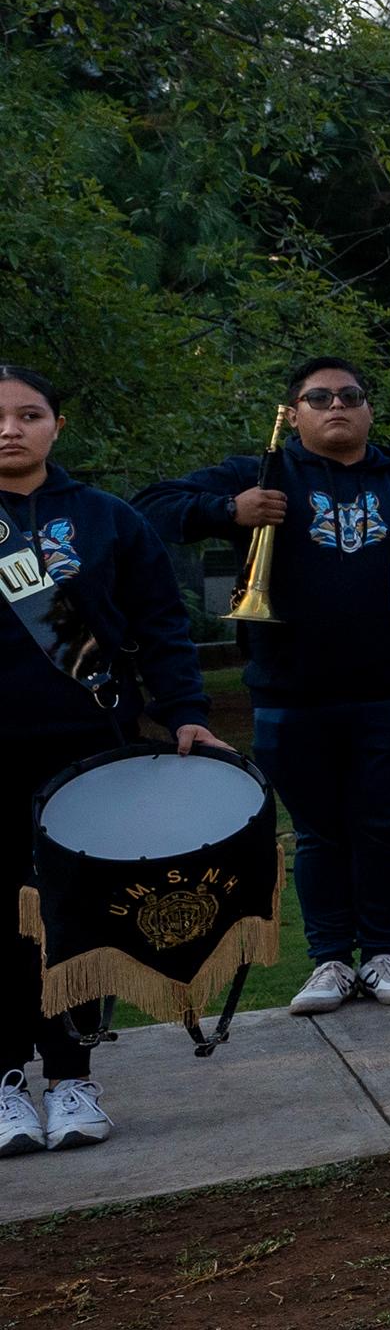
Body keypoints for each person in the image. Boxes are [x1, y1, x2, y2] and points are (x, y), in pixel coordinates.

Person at [139, 359, 390, 1015]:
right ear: (295, 411)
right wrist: (228, 510)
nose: (337, 405)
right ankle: (330, 958)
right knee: (316, 833)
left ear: (369, 408)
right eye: (320, 397)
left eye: (351, 395)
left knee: (386, 829)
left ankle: (383, 952)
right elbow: (148, 509)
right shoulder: (260, 472)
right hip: (287, 692)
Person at [0, 365, 218, 1161]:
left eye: (30, 414)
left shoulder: (109, 520)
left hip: (87, 751)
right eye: (1, 417)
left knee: (77, 919)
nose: (11, 429)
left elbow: (162, 625)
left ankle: (70, 1077)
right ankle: (3, 1087)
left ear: (57, 425)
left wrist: (188, 714)